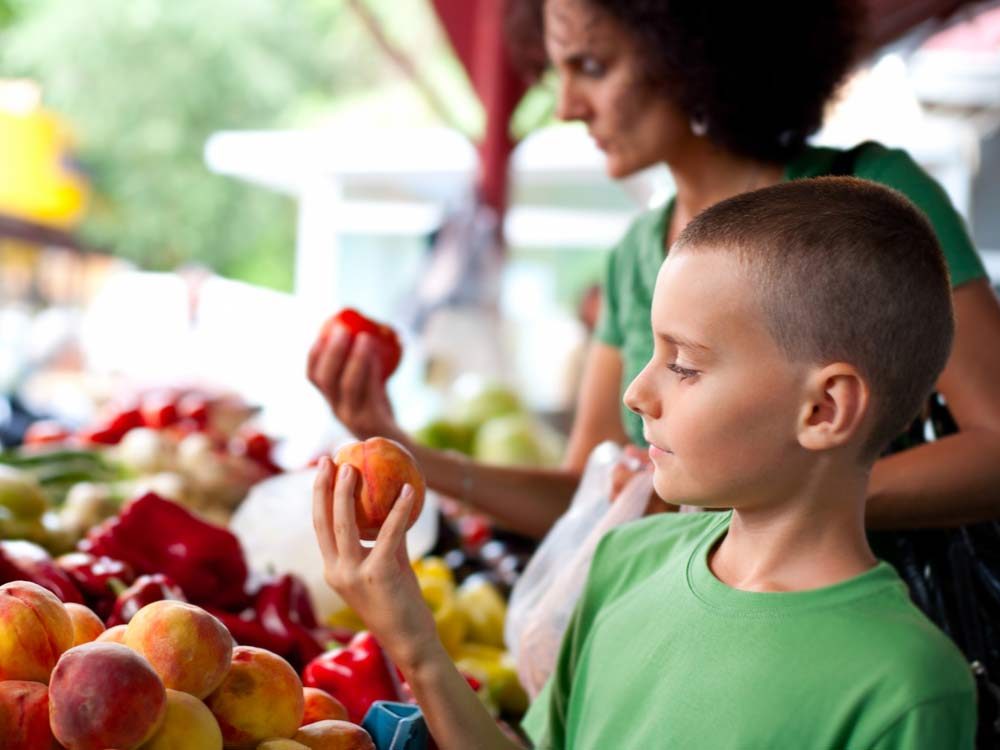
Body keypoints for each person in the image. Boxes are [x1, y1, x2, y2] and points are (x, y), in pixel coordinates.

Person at [312, 177, 977, 749]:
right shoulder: (624, 562)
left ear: (824, 409)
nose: (636, 393)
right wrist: (414, 644)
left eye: (683, 365)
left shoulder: (907, 687)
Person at [308, 0, 1000, 540]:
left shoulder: (878, 198)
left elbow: (993, 449)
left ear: (697, 53)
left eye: (593, 67)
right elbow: (588, 495)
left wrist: (788, 492)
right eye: (560, 72)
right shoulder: (638, 253)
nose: (567, 106)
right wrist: (404, 453)